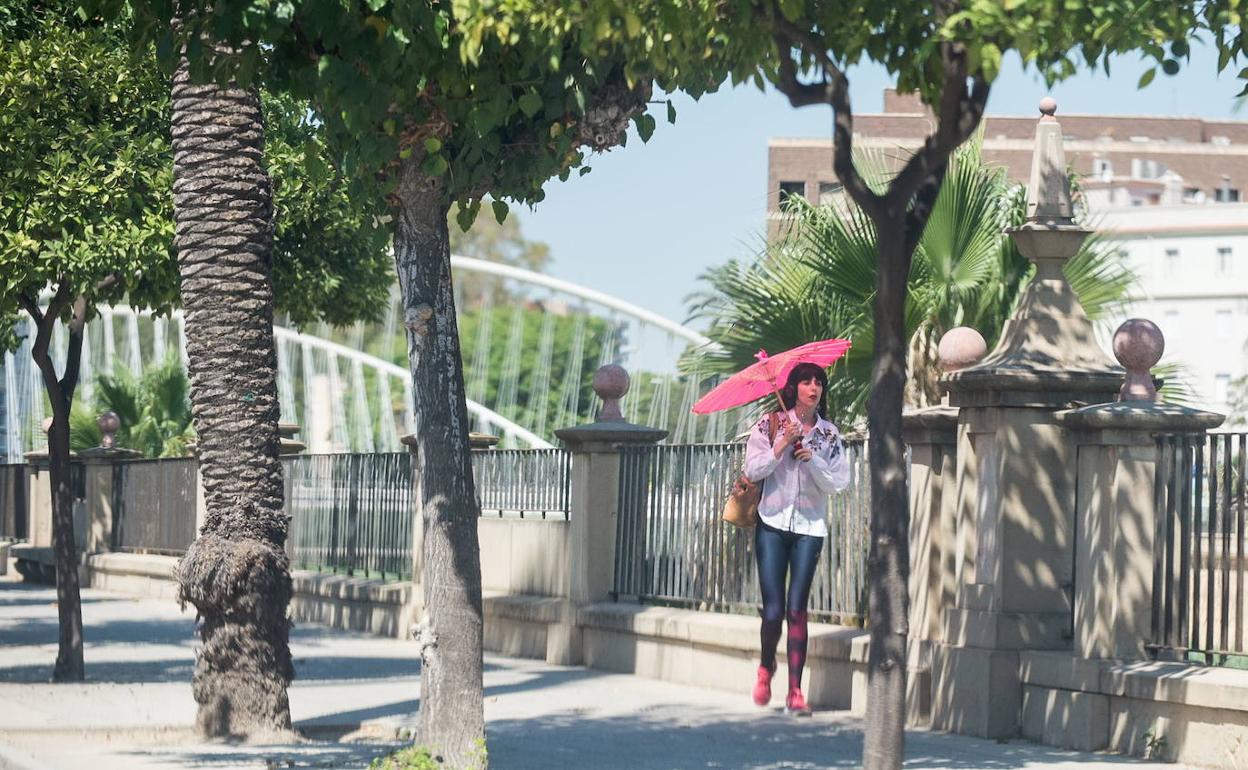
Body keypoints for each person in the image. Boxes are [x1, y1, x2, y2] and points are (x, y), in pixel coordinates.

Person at [743, 362, 850, 715]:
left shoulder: (829, 434)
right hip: (772, 524)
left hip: (809, 528)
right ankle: (765, 667)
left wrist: (813, 460)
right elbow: (753, 470)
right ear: (794, 387)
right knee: (773, 611)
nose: (814, 387)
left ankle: (794, 691)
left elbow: (838, 483)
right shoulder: (769, 424)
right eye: (806, 381)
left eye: (819, 382)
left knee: (796, 609)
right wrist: (781, 445)